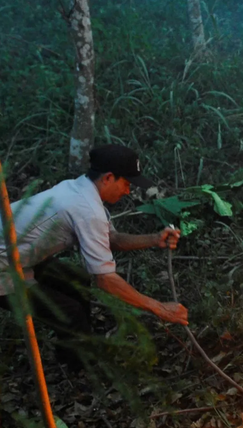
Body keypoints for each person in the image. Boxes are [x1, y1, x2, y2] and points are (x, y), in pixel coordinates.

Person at [0, 144, 188, 372]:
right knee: (70, 311)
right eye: (126, 184)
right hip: (4, 266)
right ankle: (79, 373)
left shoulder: (79, 189)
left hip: (21, 253)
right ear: (108, 178)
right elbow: (105, 280)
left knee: (78, 282)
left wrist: (154, 239)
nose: (128, 191)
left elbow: (111, 238)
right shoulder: (86, 209)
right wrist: (158, 308)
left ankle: (76, 349)